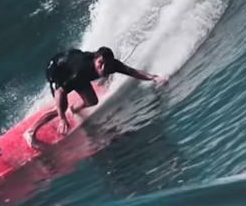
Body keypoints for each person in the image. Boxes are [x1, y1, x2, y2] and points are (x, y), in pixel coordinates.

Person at [23, 46, 161, 148]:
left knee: (92, 101)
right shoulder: (80, 72)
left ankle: (74, 109)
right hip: (56, 68)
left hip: (73, 58)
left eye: (107, 64)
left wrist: (153, 77)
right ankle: (30, 132)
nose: (103, 68)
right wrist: (62, 118)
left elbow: (132, 71)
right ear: (95, 60)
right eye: (100, 64)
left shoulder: (111, 65)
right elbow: (60, 92)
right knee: (61, 106)